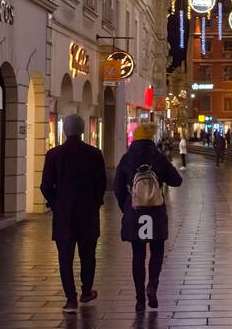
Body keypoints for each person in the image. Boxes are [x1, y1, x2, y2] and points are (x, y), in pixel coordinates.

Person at [40, 114, 106, 313]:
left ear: (65, 131)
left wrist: (54, 202)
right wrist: (95, 202)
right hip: (87, 214)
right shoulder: (94, 154)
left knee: (65, 258)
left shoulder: (54, 154)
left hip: (64, 215)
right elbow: (101, 183)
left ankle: (70, 299)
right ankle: (86, 291)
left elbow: (45, 186)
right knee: (88, 255)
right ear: (83, 130)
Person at [115, 123, 184, 311]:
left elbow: (118, 188)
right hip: (156, 212)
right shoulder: (158, 157)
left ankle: (139, 299)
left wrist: (126, 207)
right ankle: (152, 285)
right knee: (157, 252)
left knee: (138, 255)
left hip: (135, 213)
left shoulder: (127, 158)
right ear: (151, 139)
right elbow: (177, 181)